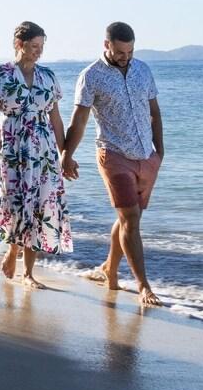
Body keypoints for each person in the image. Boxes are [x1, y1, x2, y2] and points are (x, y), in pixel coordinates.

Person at [66, 21, 165, 307]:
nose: (126, 56)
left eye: (131, 50)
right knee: (130, 220)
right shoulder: (91, 76)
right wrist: (66, 154)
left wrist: (161, 151)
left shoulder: (143, 70)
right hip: (113, 155)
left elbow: (154, 112)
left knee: (129, 218)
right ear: (106, 45)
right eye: (121, 51)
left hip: (146, 156)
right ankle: (143, 286)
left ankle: (109, 268)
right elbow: (80, 120)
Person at [0, 21, 78, 287]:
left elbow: (56, 120)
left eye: (41, 47)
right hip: (12, 146)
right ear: (19, 45)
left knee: (40, 205)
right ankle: (13, 250)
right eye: (34, 46)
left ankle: (29, 273)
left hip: (43, 149)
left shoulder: (48, 76)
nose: (38, 52)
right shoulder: (1, 74)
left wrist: (65, 155)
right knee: (14, 203)